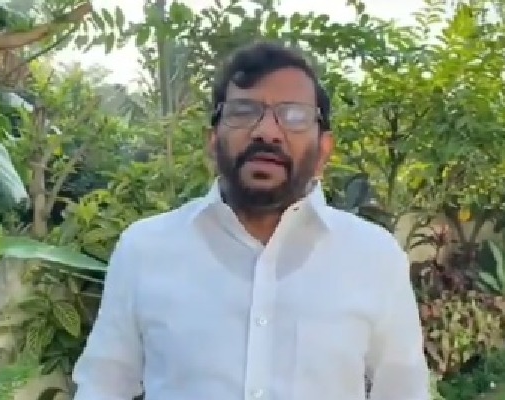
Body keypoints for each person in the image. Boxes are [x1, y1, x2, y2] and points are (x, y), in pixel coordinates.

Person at [72, 41, 430, 400]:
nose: (267, 132)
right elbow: (103, 386)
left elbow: (404, 393)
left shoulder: (374, 257)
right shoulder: (146, 249)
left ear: (324, 149)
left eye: (294, 116)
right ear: (213, 141)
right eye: (244, 112)